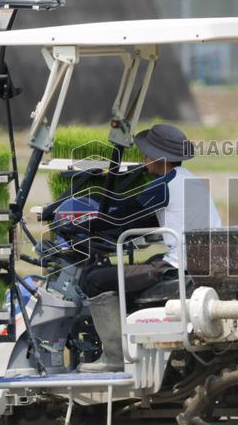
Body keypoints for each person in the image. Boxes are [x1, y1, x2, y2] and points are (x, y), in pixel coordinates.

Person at [80, 123, 222, 298]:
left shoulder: (164, 185)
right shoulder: (192, 180)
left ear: (161, 158)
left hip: (180, 267)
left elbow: (124, 216)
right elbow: (153, 220)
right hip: (206, 264)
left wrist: (82, 226)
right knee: (150, 260)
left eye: (149, 152)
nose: (144, 156)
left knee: (94, 279)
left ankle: (112, 325)